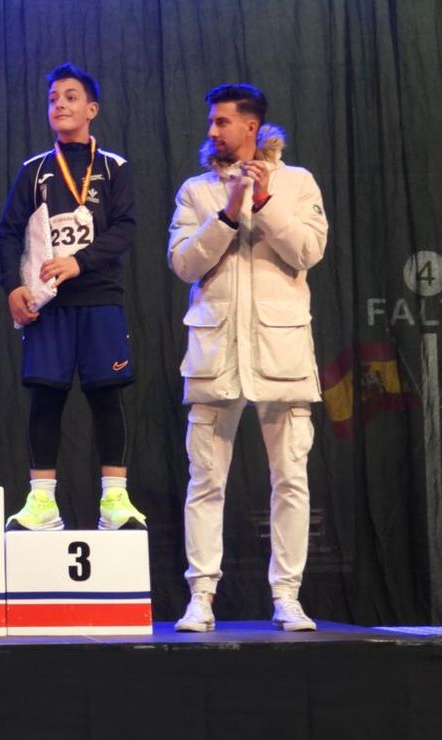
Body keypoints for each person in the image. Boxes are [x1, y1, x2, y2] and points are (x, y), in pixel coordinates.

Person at [168, 83, 327, 632]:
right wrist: (228, 213)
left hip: (281, 353)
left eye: (222, 122)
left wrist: (262, 202)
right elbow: (184, 265)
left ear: (251, 127)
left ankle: (287, 596)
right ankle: (201, 595)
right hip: (215, 354)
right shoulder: (197, 191)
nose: (212, 130)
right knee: (205, 480)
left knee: (291, 479)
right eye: (212, 121)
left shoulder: (297, 182)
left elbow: (309, 251)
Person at [0, 63, 147, 532]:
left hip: (100, 299)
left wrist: (79, 262)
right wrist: (13, 287)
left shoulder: (114, 167)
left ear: (92, 109)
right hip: (49, 305)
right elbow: (8, 233)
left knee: (107, 396)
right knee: (46, 396)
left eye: (70, 96)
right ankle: (42, 502)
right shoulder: (34, 171)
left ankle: (115, 500)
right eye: (53, 99)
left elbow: (125, 229)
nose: (59, 104)